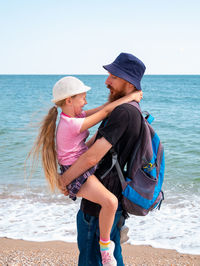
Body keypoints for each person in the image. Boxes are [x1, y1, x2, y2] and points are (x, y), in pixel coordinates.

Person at [28, 75, 142, 266]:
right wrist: (132, 97)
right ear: (69, 100)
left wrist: (124, 103)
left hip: (78, 166)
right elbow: (105, 111)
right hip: (76, 172)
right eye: (82, 97)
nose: (86, 101)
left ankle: (107, 244)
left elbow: (101, 111)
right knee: (110, 202)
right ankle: (105, 248)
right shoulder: (71, 124)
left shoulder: (74, 117)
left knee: (109, 204)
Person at [59, 53, 146, 266]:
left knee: (91, 259)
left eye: (113, 76)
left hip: (98, 208)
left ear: (128, 82)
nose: (107, 81)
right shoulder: (130, 109)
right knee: (112, 259)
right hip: (111, 199)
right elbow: (92, 144)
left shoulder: (123, 112)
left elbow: (92, 157)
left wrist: (63, 181)